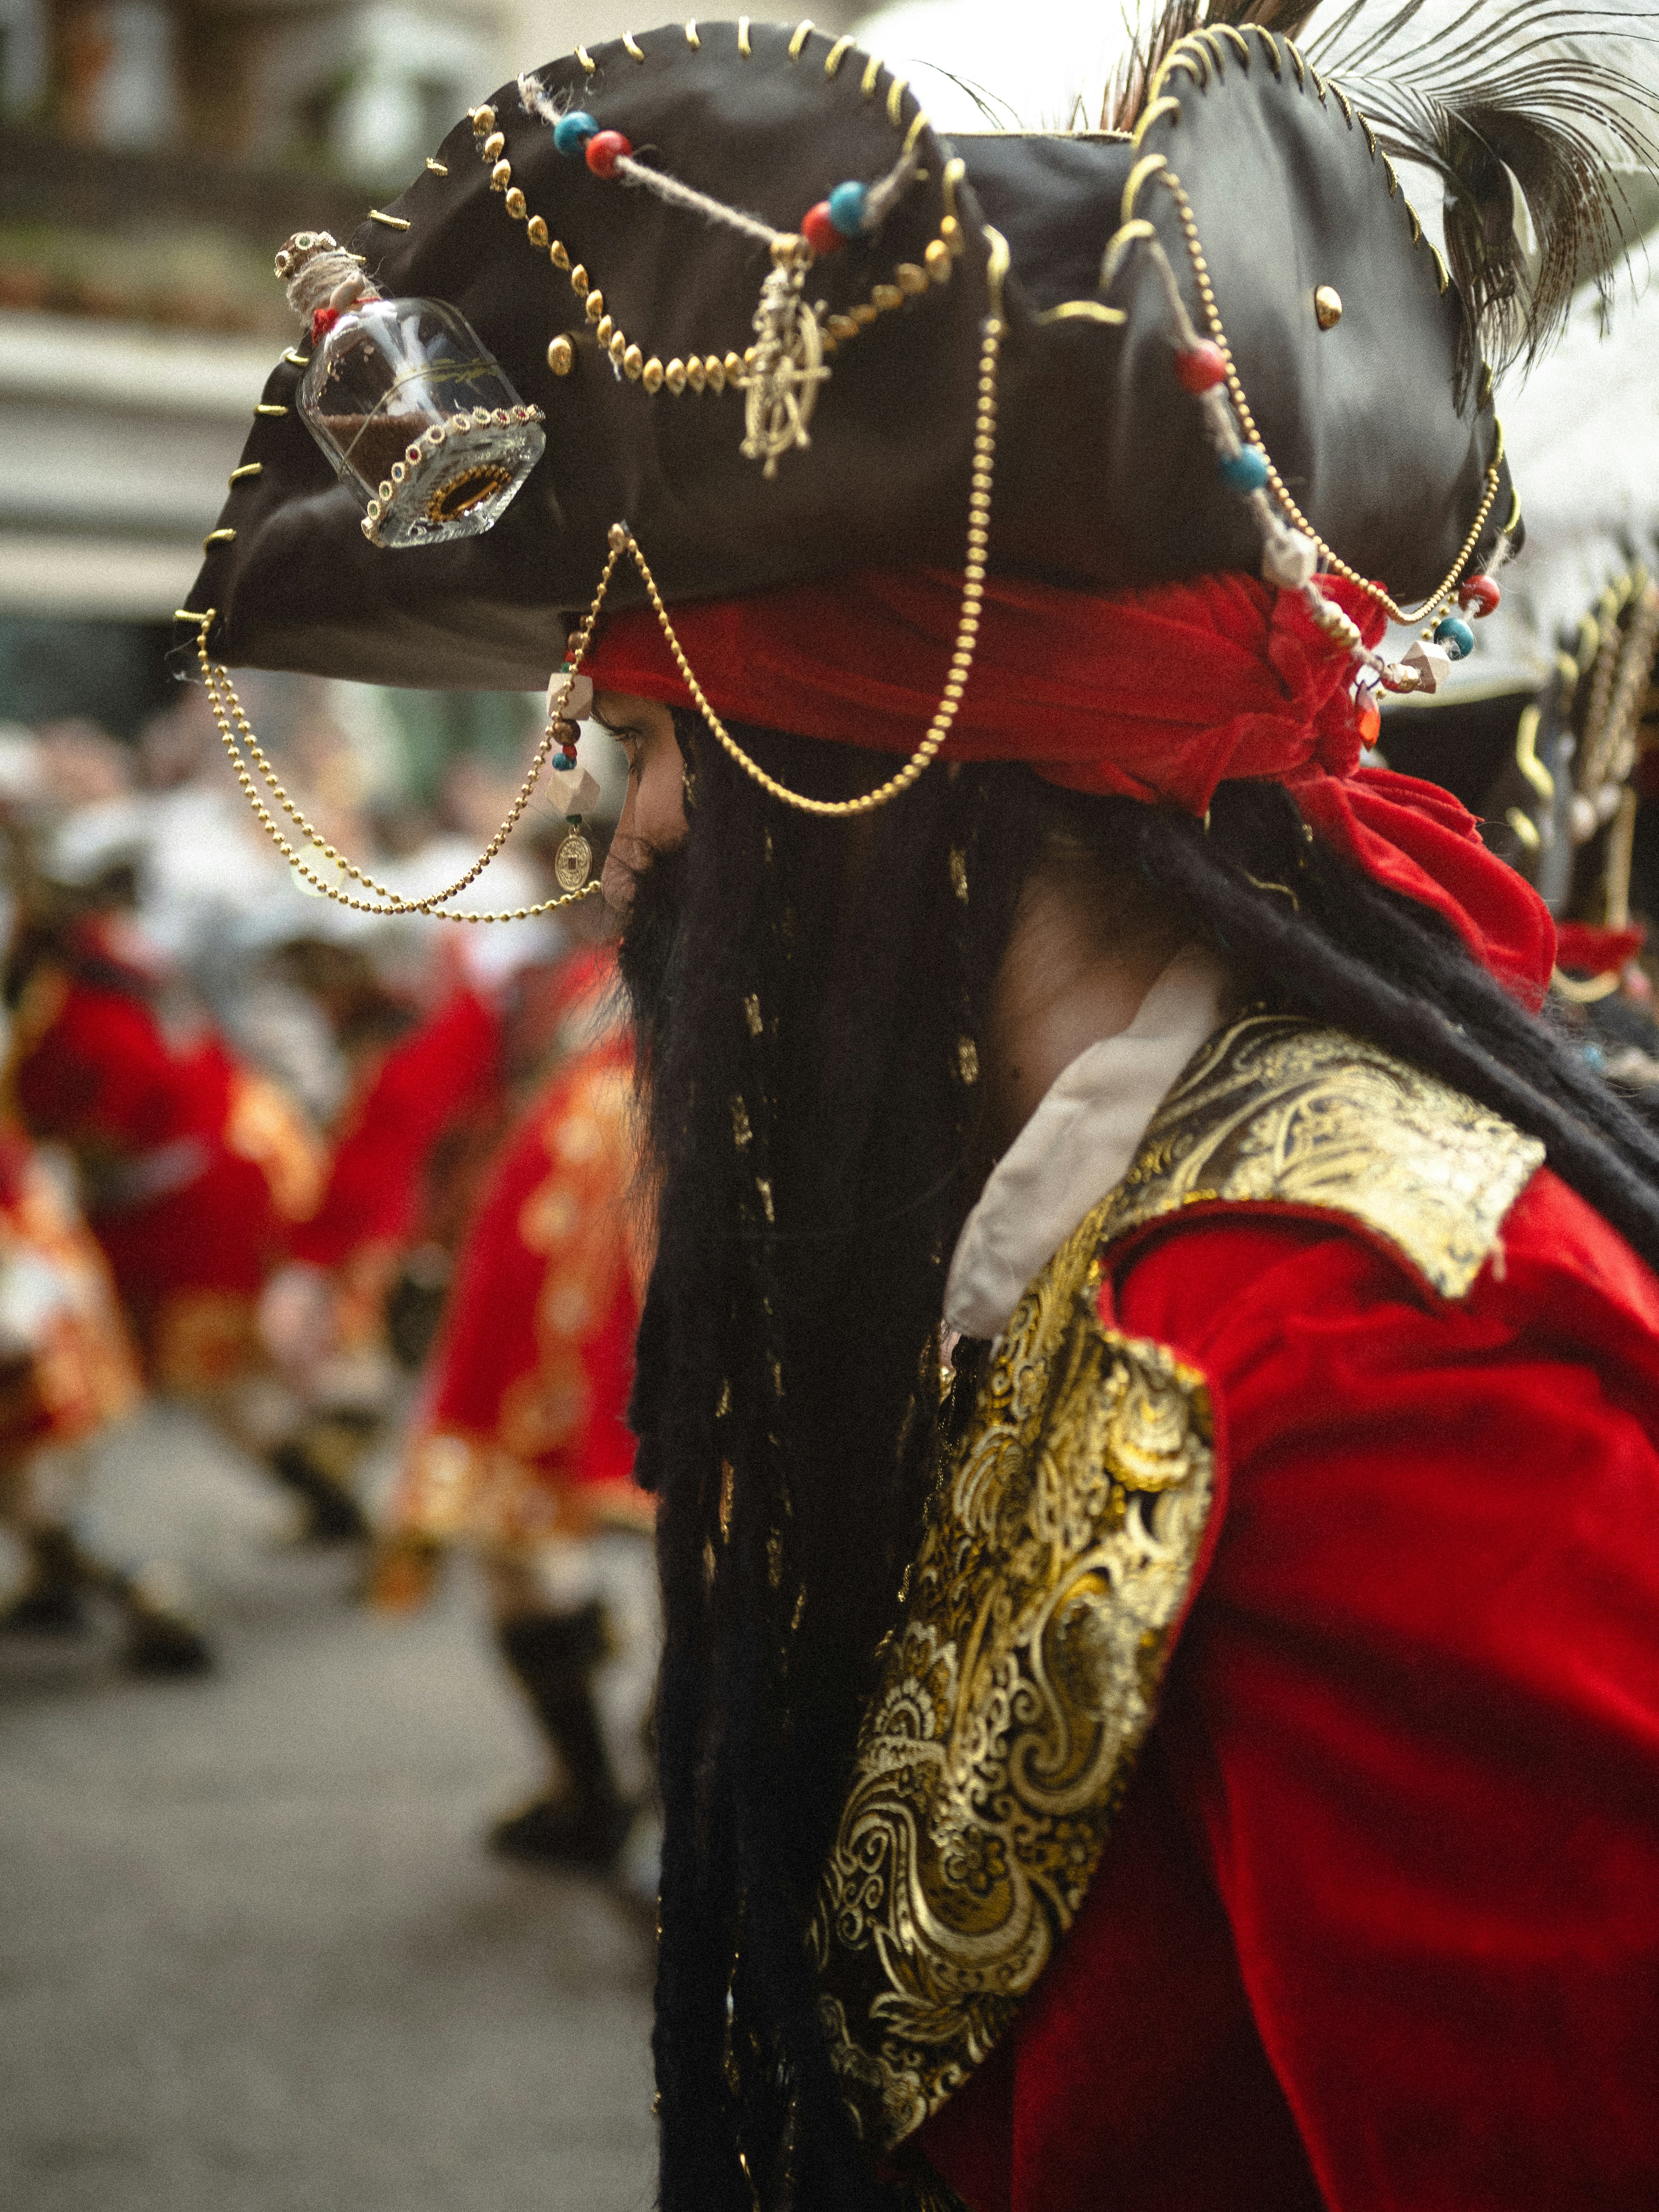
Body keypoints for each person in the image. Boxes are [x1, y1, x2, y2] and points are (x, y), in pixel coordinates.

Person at [180, 7, 1659, 2207]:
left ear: (865, 772)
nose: (640, 825)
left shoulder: (1387, 1361)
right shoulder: (1061, 1233)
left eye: (654, 732)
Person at [372, 937, 656, 1871]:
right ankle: (626, 1770)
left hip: (599, 1215)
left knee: (531, 1533)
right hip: (600, 1215)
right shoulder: (559, 973)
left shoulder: (562, 972)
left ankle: (615, 1785)